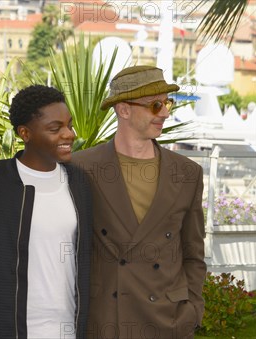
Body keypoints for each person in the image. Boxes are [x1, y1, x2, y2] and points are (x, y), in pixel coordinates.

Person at [71, 65, 206, 338]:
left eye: (166, 103)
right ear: (124, 109)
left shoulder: (188, 172)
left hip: (168, 320)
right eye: (156, 105)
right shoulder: (81, 168)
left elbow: (193, 253)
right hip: (107, 319)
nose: (166, 113)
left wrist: (192, 310)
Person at [0, 85, 92, 338]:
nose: (69, 134)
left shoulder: (78, 183)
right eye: (55, 129)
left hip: (67, 327)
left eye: (69, 125)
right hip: (11, 328)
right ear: (25, 133)